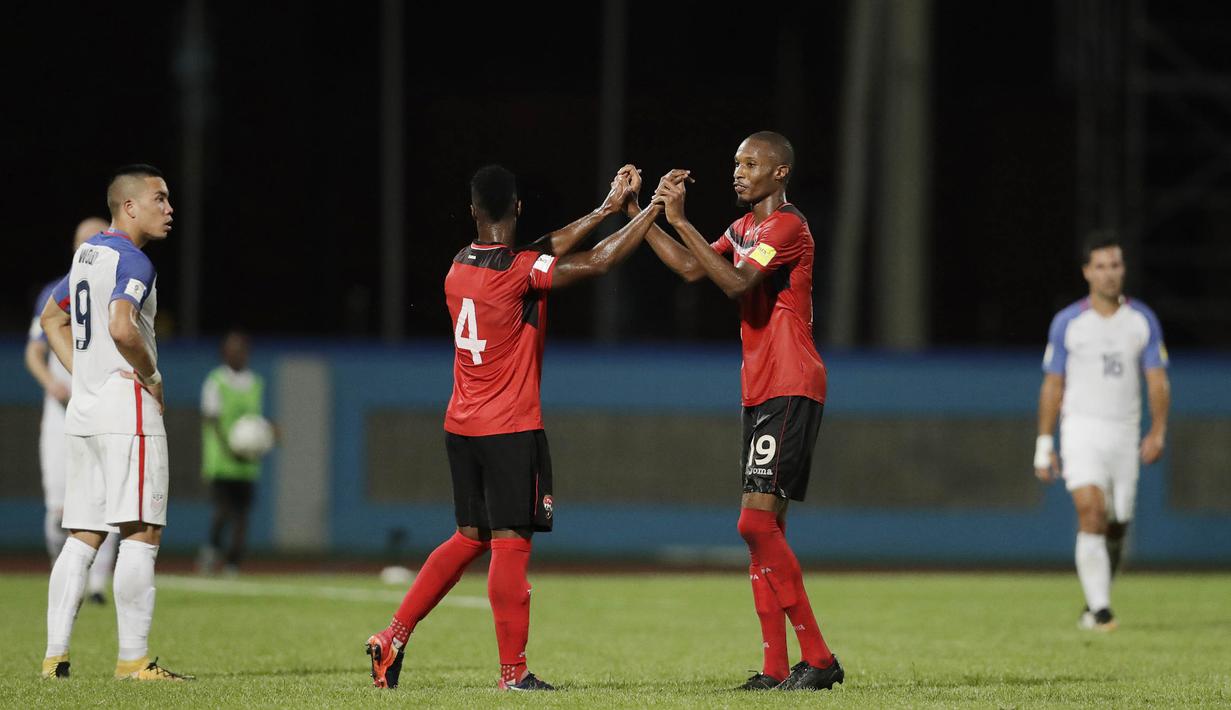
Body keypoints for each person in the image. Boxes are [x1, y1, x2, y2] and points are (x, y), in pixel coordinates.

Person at [364, 163, 667, 691]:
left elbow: (543, 248)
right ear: (518, 207)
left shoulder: (459, 265)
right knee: (510, 546)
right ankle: (514, 674)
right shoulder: (521, 270)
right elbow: (595, 262)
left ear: (474, 211)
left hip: (461, 426)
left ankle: (393, 635)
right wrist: (654, 212)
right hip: (509, 429)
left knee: (468, 538)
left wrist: (606, 208)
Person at [641, 132, 843, 691]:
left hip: (790, 381)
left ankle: (820, 658)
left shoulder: (787, 226)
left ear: (781, 173)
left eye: (751, 163)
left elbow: (733, 282)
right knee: (765, 530)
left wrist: (681, 220)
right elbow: (689, 268)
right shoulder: (743, 229)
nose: (739, 172)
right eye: (735, 163)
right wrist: (644, 215)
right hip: (760, 388)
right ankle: (776, 668)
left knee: (753, 522)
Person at [38, 164, 192, 681]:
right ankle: (133, 661)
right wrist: (151, 375)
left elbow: (51, 319)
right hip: (126, 410)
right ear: (129, 206)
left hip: (85, 411)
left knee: (83, 535)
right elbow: (122, 326)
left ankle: (54, 656)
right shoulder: (135, 261)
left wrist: (85, 373)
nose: (169, 209)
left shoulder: (88, 255)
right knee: (142, 531)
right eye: (160, 199)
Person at [1034, 231, 1170, 632]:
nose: (1110, 274)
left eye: (1116, 265)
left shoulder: (1141, 321)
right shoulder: (1069, 323)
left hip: (1124, 434)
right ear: (1087, 272)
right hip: (1081, 431)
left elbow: (1157, 381)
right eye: (1101, 266)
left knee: (1117, 522)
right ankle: (1101, 610)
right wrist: (1045, 444)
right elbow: (1052, 385)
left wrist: (1158, 430)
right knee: (1091, 511)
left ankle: (1096, 600)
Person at [25, 217, 119, 604]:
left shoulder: (117, 286)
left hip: (104, 406)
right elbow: (35, 350)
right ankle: (60, 574)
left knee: (109, 500)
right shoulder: (55, 291)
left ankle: (97, 585)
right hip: (62, 411)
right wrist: (52, 382)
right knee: (58, 506)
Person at [197, 330, 267, 576]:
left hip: (247, 463)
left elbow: (255, 423)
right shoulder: (215, 381)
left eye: (241, 349)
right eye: (232, 349)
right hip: (221, 461)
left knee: (242, 516)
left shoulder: (256, 382)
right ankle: (211, 550)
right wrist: (230, 449)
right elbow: (211, 419)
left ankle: (233, 563)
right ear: (224, 353)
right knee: (222, 512)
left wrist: (265, 436)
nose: (237, 354)